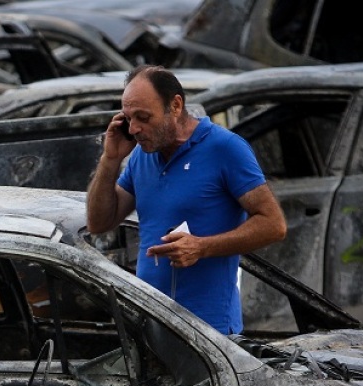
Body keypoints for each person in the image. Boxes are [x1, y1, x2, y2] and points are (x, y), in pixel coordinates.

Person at [86, 65, 287, 334]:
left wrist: (202, 247)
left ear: (175, 105)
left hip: (209, 332)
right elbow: (99, 222)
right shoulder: (141, 156)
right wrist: (110, 159)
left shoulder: (225, 148)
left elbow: (274, 224)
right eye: (128, 118)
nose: (134, 129)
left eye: (143, 117)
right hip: (152, 323)